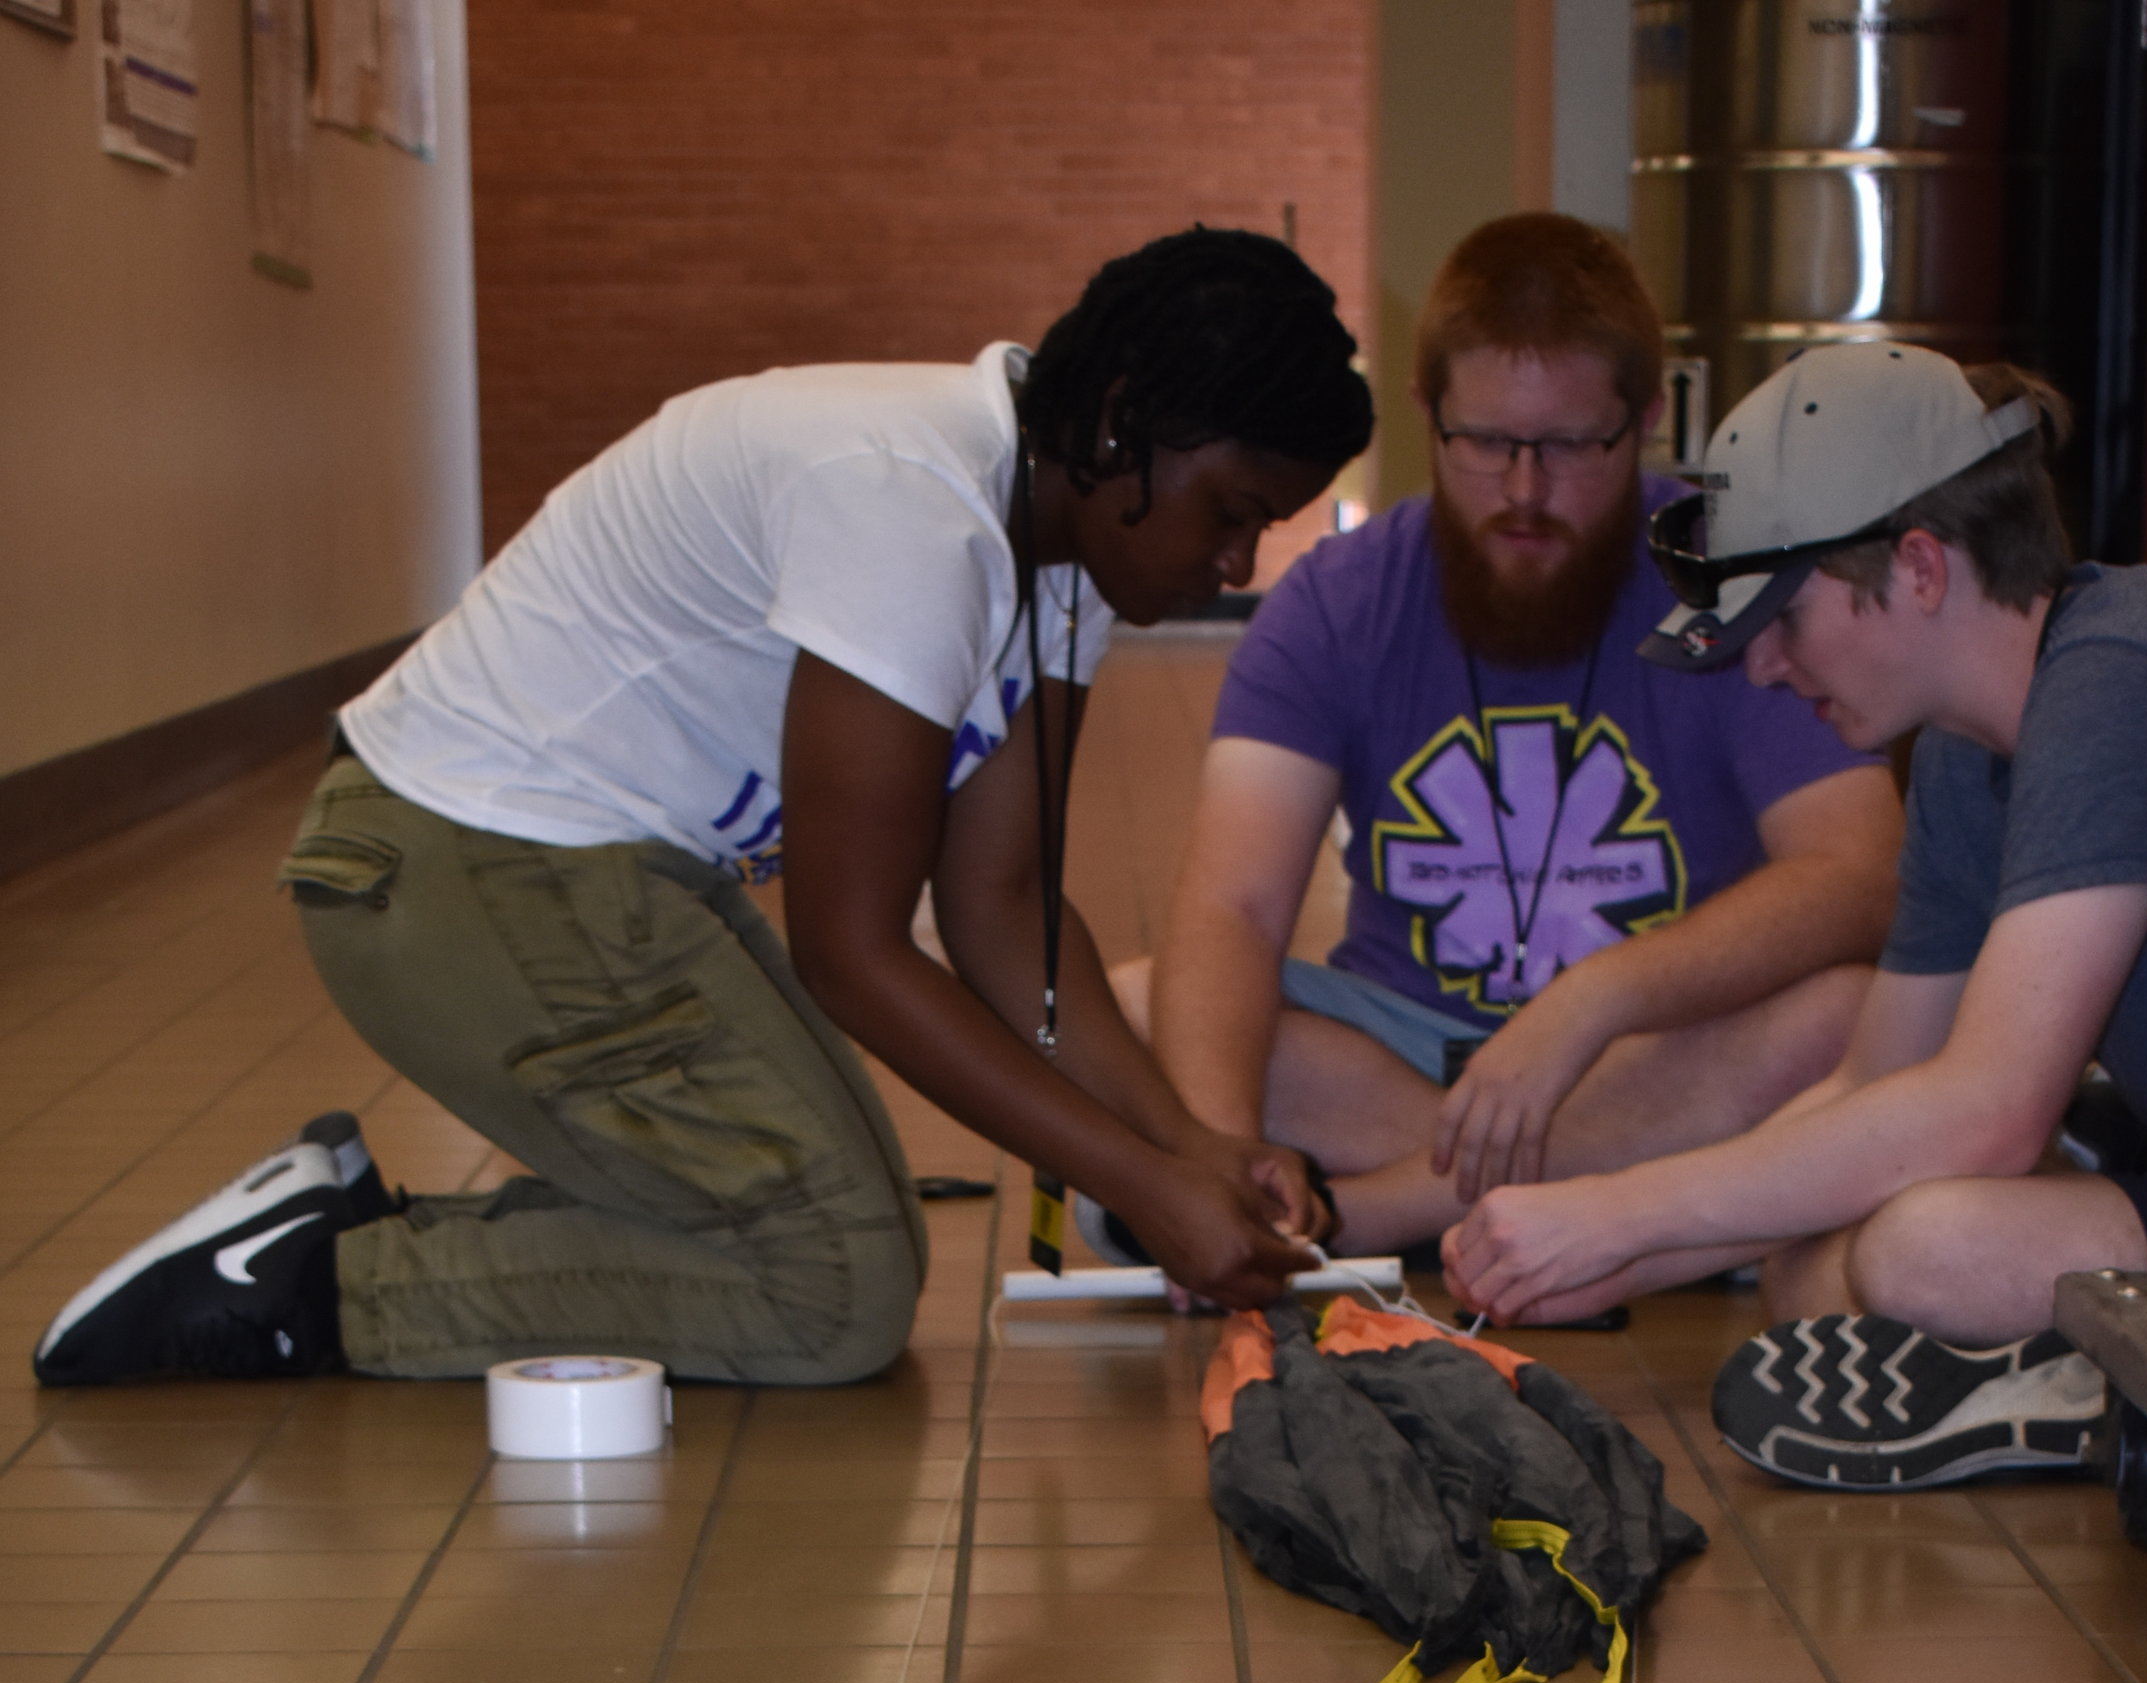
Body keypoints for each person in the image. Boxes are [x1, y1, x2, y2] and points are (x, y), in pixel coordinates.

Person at [34, 232, 1372, 1394]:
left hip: (598, 878)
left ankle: (334, 1225)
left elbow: (1002, 908)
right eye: (1234, 512)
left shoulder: (1060, 548)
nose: (1237, 561)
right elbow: (851, 952)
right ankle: (317, 1281)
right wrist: (1142, 1189)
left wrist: (1188, 1145)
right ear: (1127, 422)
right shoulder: (915, 506)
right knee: (830, 1287)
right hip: (451, 863)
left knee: (849, 1237)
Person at [1441, 338, 2147, 1492]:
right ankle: (2057, 1370)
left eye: (1784, 619)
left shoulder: (2113, 674)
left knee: (1918, 1246)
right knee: (1811, 1264)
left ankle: (2103, 1392)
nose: (1765, 669)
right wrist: (1640, 1253)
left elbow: (1982, 1113)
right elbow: (1874, 1085)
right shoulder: (1955, 754)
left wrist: (1619, 1210)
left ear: (1923, 568)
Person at [1120, 214, 1901, 1266]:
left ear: (1643, 421)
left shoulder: (1729, 586)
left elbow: (1860, 872)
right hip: (1402, 1050)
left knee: (1858, 1017)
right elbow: (1233, 905)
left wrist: (1591, 1001)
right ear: (1427, 416)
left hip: (1650, 1050)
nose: (1525, 491)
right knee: (1131, 1007)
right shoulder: (1337, 601)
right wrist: (1217, 1162)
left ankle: (1374, 1214)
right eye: (1485, 443)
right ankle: (1635, 1209)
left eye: (1573, 446)